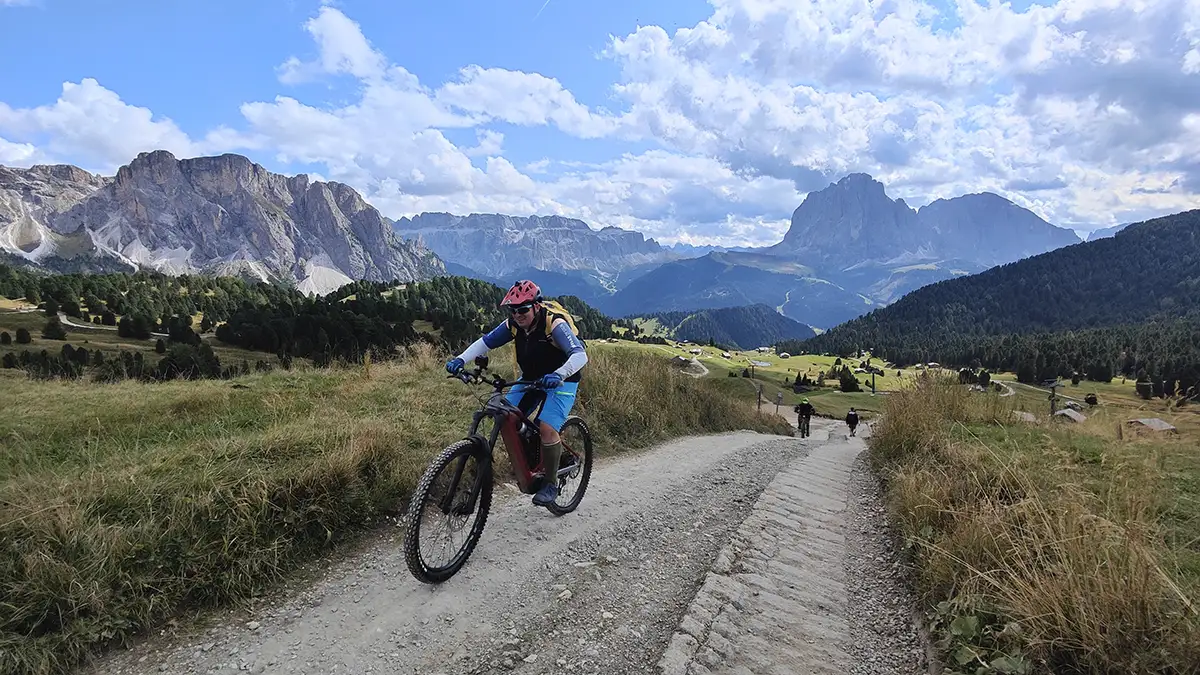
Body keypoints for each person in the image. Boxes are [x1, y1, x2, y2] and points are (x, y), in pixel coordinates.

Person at [445, 280, 588, 507]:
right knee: (507, 416)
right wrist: (461, 359)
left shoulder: (554, 324)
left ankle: (550, 484)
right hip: (531, 378)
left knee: (546, 428)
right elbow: (485, 342)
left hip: (563, 381)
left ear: (536, 306)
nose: (518, 315)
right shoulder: (513, 324)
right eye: (513, 310)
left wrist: (559, 374)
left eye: (523, 309)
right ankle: (533, 458)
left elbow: (580, 356)